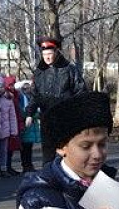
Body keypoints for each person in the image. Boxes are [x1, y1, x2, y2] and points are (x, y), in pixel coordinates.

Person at [31, 36, 85, 166]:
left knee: (67, 151)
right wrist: (29, 112)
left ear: (56, 52)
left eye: (49, 54)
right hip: (47, 118)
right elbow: (35, 95)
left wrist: (76, 112)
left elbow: (81, 91)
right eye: (44, 54)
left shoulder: (69, 69)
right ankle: (49, 179)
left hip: (65, 117)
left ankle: (70, 179)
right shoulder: (39, 72)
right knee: (48, 152)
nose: (47, 57)